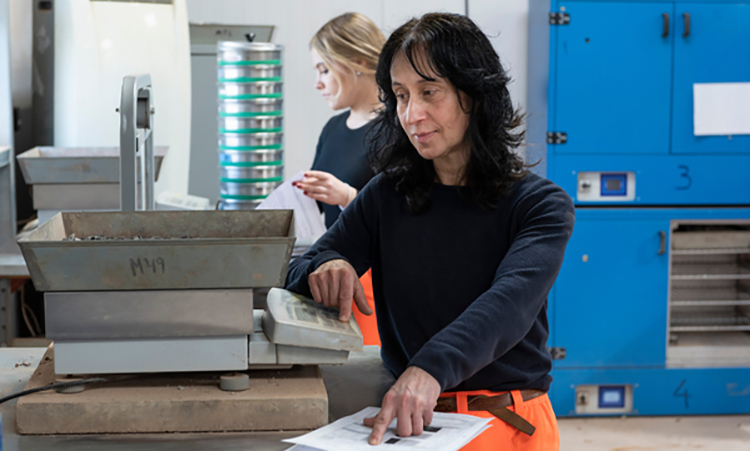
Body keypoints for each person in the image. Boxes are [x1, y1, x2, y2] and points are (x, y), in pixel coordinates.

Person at [286, 12, 574, 451]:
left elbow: (508, 305)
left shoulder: (539, 206)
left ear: (474, 95)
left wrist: (429, 370)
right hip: (412, 419)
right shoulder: (387, 195)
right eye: (400, 96)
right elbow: (302, 263)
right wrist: (326, 264)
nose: (411, 113)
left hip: (505, 418)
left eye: (429, 92)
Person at [292, 13, 385, 346]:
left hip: (374, 283)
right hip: (329, 273)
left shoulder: (398, 130)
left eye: (324, 70)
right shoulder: (333, 129)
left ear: (358, 61)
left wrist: (347, 195)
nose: (318, 83)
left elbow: (409, 215)